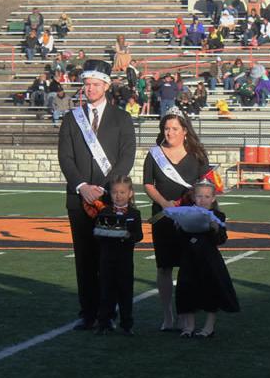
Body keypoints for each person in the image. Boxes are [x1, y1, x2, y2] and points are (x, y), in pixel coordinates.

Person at [58, 59, 136, 331]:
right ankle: (88, 313)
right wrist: (82, 186)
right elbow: (65, 157)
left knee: (110, 260)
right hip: (79, 200)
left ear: (106, 85)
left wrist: (104, 188)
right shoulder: (72, 118)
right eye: (86, 84)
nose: (89, 89)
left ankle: (109, 313)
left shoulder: (122, 118)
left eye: (94, 84)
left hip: (112, 199)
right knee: (85, 259)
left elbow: (127, 157)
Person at [143, 107, 209, 331]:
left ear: (185, 131)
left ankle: (185, 313)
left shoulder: (198, 154)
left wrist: (200, 197)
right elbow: (148, 184)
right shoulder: (154, 154)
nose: (169, 133)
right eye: (166, 128)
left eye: (174, 128)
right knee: (164, 267)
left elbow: (207, 183)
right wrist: (164, 203)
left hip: (191, 217)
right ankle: (167, 314)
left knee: (188, 266)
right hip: (163, 217)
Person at [167, 180, 239, 338]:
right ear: (193, 197)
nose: (203, 199)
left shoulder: (218, 215)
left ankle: (209, 327)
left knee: (211, 291)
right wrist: (178, 227)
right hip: (189, 258)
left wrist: (215, 229)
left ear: (213, 198)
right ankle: (189, 327)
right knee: (186, 290)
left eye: (207, 196)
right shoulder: (185, 212)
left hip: (209, 259)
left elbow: (220, 240)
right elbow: (178, 240)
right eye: (199, 196)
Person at [93, 175, 143, 335]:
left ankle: (127, 324)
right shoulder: (104, 211)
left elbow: (139, 235)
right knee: (106, 291)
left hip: (125, 260)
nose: (118, 195)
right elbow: (97, 233)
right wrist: (103, 232)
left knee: (125, 292)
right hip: (107, 258)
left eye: (122, 192)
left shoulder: (134, 213)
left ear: (130, 193)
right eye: (115, 192)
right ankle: (103, 323)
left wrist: (129, 235)